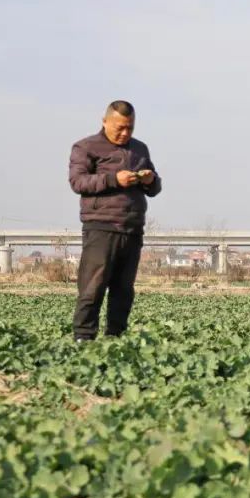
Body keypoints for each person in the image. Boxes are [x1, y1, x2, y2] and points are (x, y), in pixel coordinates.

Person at [69, 100, 162, 341]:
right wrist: (113, 179)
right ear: (105, 121)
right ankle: (83, 338)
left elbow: (155, 188)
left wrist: (150, 180)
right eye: (120, 127)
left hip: (132, 228)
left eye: (130, 127)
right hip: (101, 226)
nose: (125, 133)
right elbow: (78, 182)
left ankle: (115, 338)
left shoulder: (140, 149)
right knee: (92, 287)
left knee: (123, 290)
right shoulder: (86, 147)